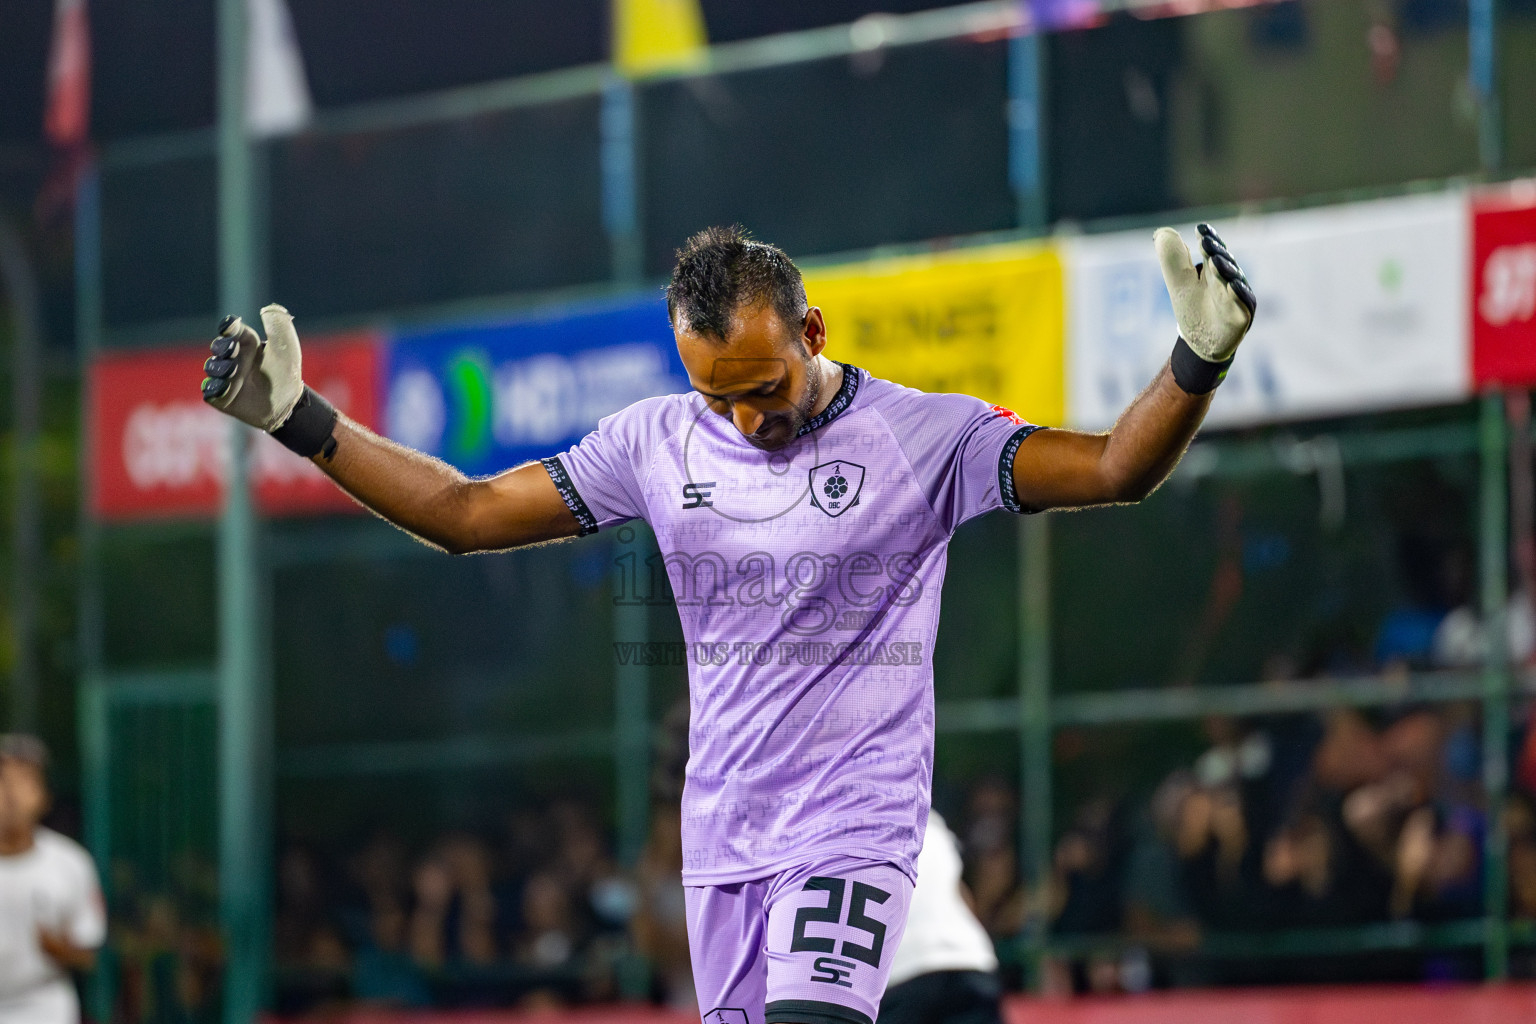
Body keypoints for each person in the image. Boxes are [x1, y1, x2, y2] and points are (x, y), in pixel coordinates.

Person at [199, 222, 1254, 1024]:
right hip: (724, 841)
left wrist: (1198, 359)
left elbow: (1116, 466)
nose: (751, 417)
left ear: (813, 332)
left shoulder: (920, 439)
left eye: (766, 386)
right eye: (720, 397)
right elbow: (466, 516)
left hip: (852, 825)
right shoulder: (655, 441)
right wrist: (303, 421)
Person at [0, 735, 106, 1024]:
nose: (11, 796)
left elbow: (90, 954)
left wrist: (60, 949)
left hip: (43, 1007)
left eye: (24, 783)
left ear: (44, 797)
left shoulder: (69, 863)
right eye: (2, 782)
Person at [879, 810, 1003, 1024]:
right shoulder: (931, 818)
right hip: (970, 960)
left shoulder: (851, 822)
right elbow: (962, 896)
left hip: (904, 970)